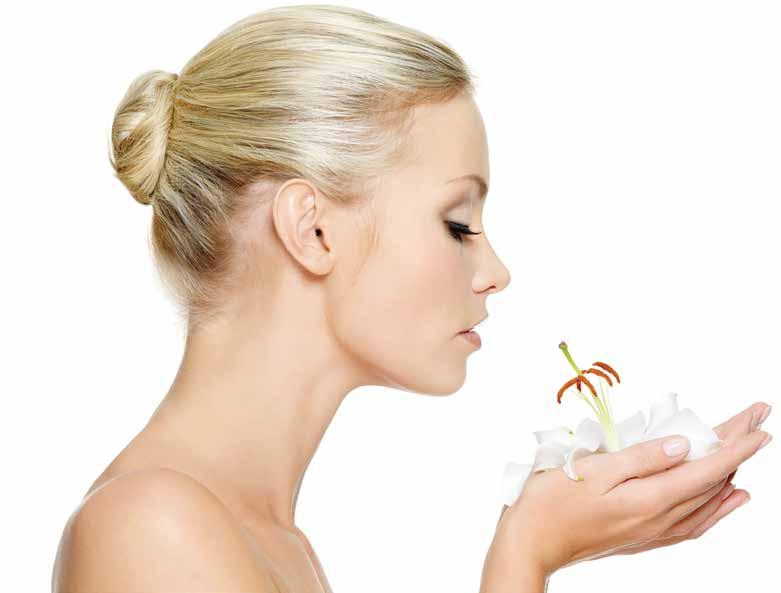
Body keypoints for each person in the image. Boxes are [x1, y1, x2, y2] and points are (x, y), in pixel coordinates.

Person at [51, 5, 773, 592]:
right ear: (312, 230)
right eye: (456, 223)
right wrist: (523, 554)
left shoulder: (269, 539)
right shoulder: (151, 529)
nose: (495, 271)